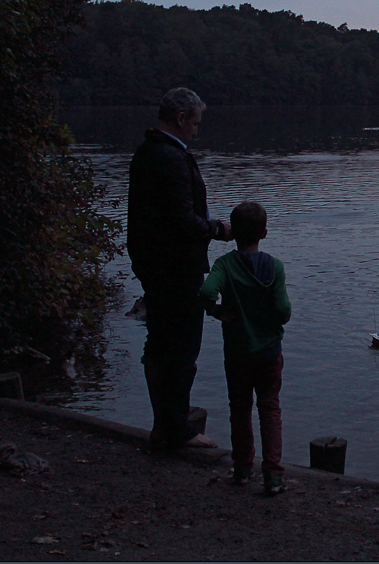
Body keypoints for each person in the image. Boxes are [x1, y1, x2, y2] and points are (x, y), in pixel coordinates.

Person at [127, 87, 231, 451]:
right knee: (182, 349)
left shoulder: (147, 152)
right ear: (181, 118)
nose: (197, 131)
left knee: (160, 343)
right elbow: (183, 220)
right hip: (174, 267)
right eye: (195, 123)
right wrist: (217, 229)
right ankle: (177, 429)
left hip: (155, 264)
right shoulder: (170, 158)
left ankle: (165, 424)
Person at [199, 201, 292, 495]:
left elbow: (205, 292)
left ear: (233, 233)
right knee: (270, 409)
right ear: (264, 233)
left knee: (239, 409)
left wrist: (215, 312)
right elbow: (283, 311)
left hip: (237, 352)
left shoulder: (224, 265)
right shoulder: (274, 266)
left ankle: (241, 469)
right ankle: (273, 475)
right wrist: (273, 320)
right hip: (268, 353)